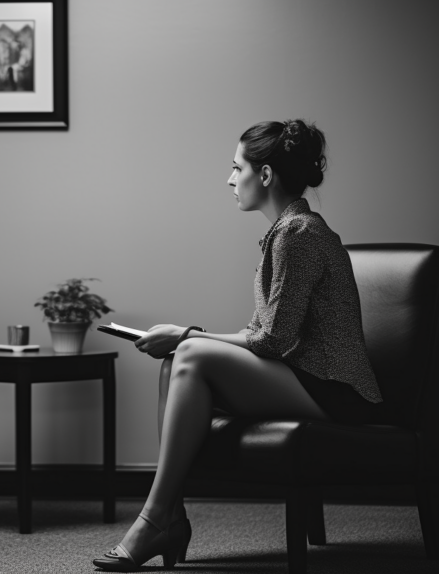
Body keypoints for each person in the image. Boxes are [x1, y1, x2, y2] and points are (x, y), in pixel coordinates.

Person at [93, 120, 383, 571]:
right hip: (308, 378)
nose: (230, 179)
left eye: (236, 168)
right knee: (175, 362)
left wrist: (186, 334)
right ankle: (171, 515)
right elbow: (265, 329)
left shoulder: (299, 234)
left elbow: (272, 340)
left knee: (185, 351)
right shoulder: (286, 232)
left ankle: (154, 518)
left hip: (337, 391)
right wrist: (184, 340)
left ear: (264, 175)